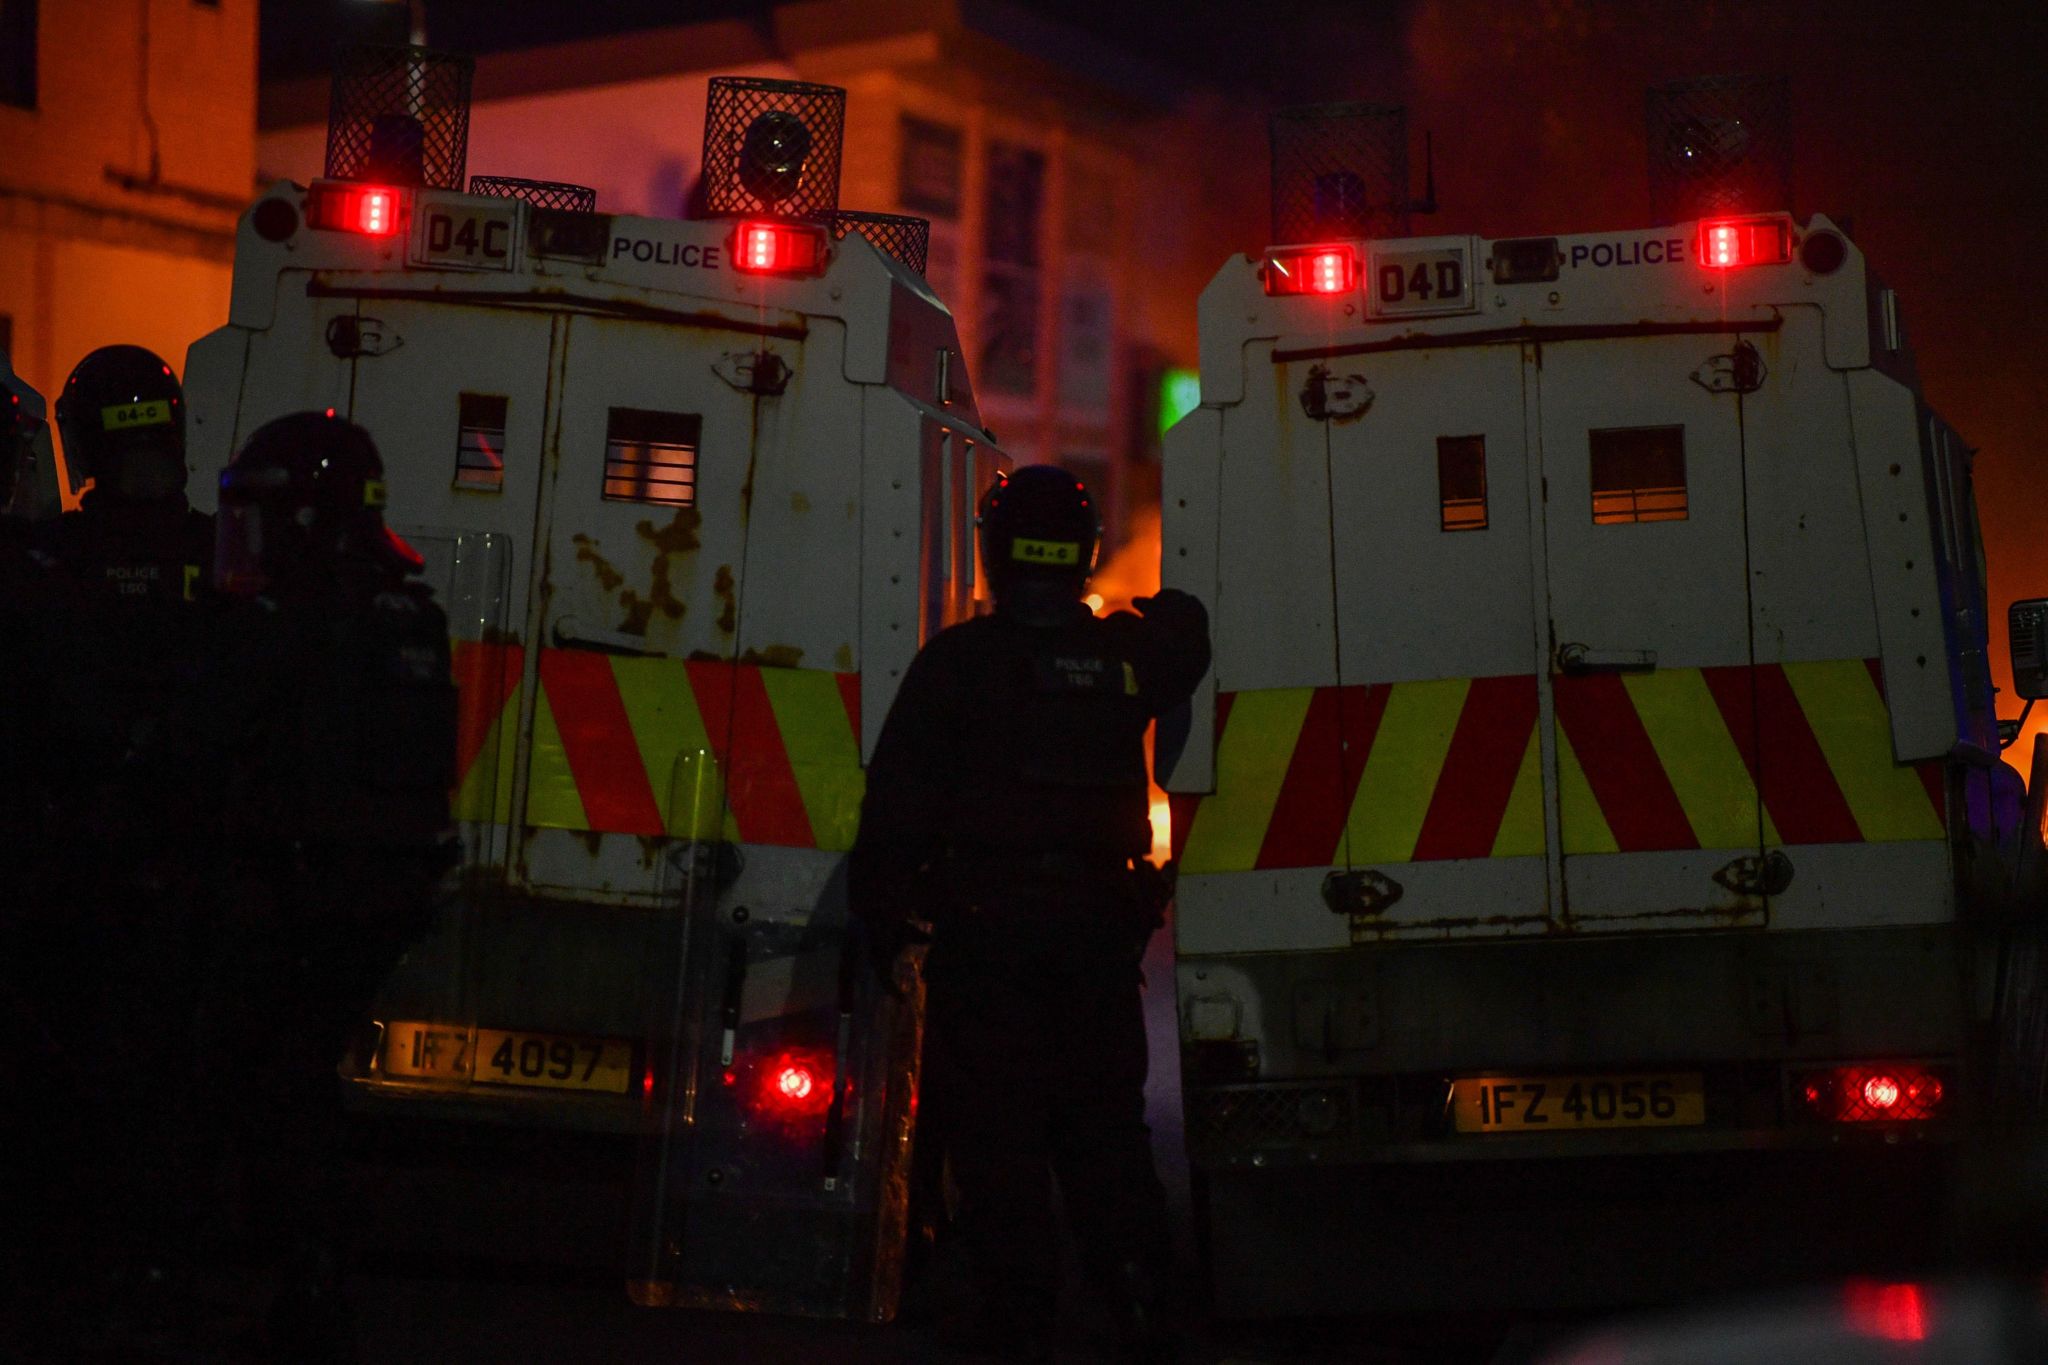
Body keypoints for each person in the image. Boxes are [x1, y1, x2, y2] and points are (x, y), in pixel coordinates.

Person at [849, 465, 1211, 1364]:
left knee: (994, 1129)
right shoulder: (1131, 659)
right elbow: (1188, 629)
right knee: (1102, 1126)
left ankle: (1017, 1311)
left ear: (996, 552)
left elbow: (894, 808)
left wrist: (882, 925)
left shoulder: (958, 663)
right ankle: (1133, 1296)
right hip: (1094, 939)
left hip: (986, 941)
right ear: (1083, 555)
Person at [185, 410, 458, 1360]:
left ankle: (271, 1281)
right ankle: (315, 1279)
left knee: (243, 1084)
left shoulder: (292, 623)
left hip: (290, 903)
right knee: (297, 1084)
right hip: (365, 908)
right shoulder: (405, 613)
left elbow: (199, 743)